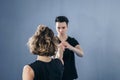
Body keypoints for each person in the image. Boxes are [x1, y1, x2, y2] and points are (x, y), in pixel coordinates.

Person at [55, 16, 84, 80]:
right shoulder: (52, 41)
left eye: (63, 27)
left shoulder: (72, 40)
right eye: (58, 28)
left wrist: (70, 47)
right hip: (55, 74)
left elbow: (81, 54)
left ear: (67, 27)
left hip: (69, 74)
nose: (61, 30)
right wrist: (57, 49)